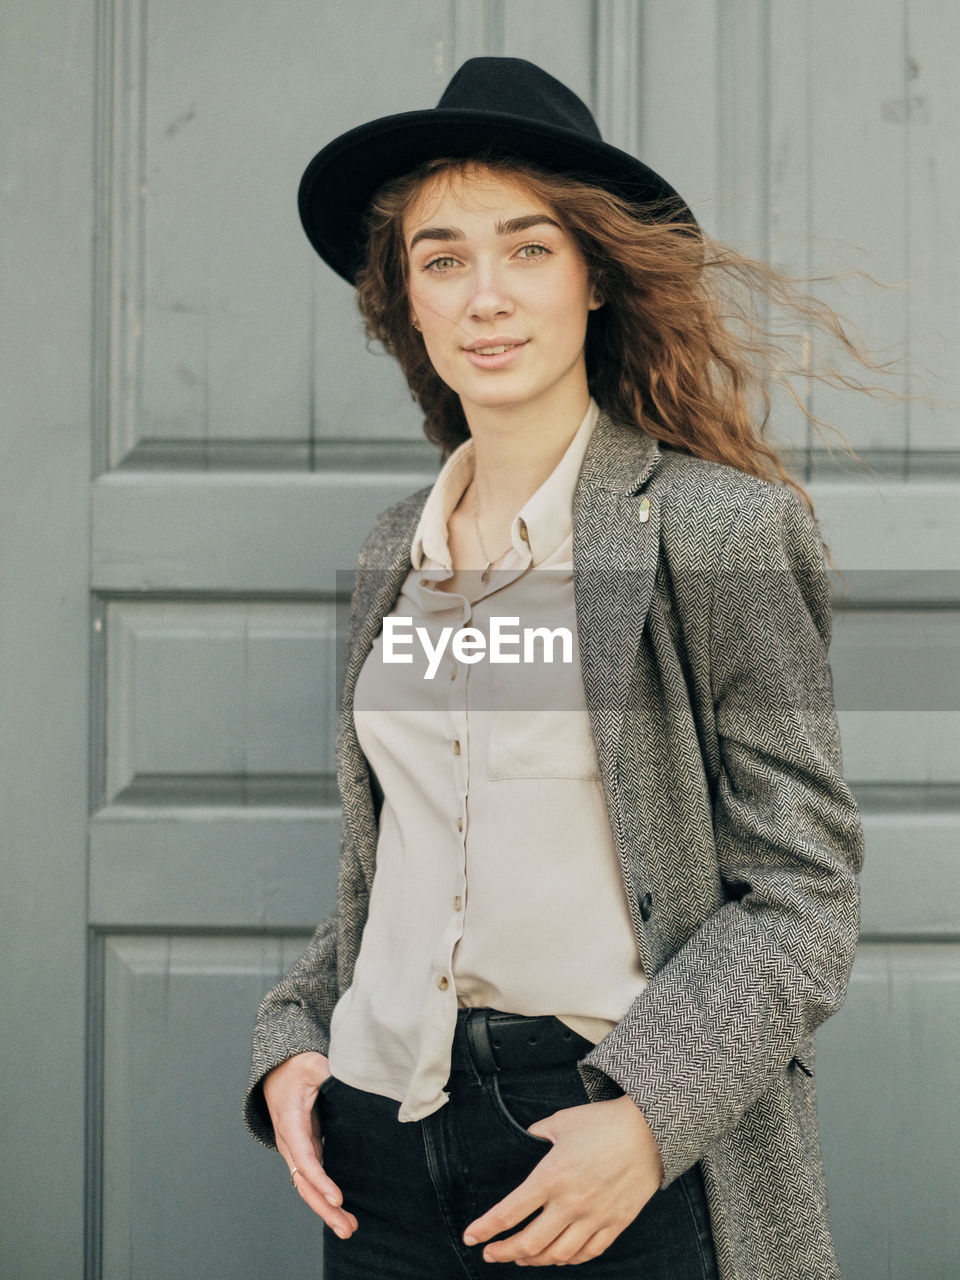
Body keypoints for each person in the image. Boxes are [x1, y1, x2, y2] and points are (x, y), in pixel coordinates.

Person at [243, 58, 866, 1278]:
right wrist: (292, 1037)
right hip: (378, 1157)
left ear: (593, 276)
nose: (487, 296)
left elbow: (806, 890)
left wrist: (648, 1114)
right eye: (443, 259)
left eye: (528, 249)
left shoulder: (719, 531)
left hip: (610, 1140)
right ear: (404, 304)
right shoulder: (390, 557)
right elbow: (394, 874)